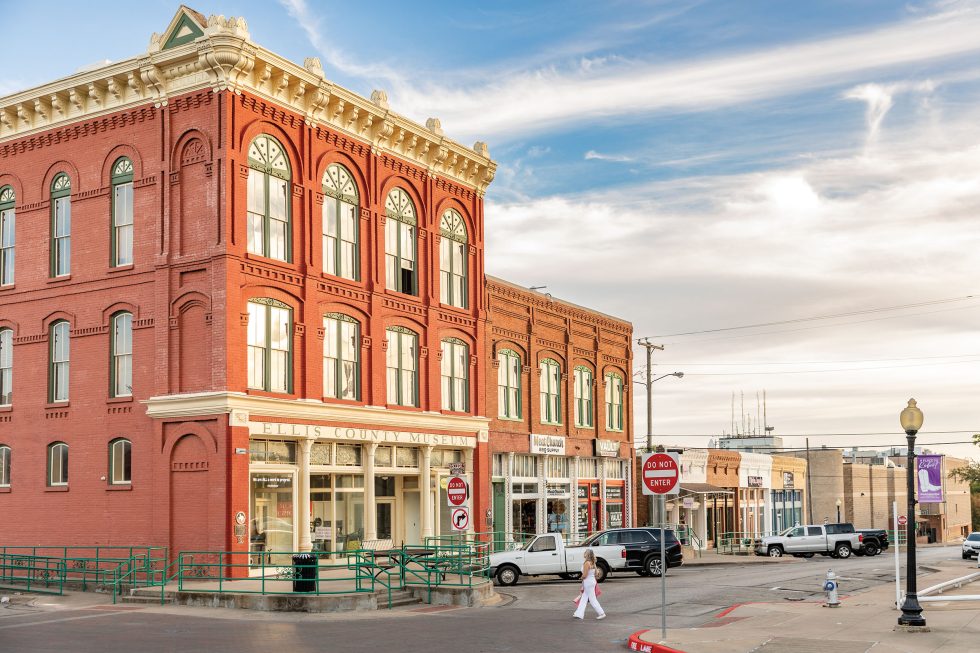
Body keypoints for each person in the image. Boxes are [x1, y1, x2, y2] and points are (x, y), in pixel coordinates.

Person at [573, 548, 606, 620]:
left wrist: (580, 578)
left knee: (592, 599)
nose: (583, 554)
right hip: (592, 581)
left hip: (588, 582)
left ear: (587, 554)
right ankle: (579, 613)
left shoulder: (586, 563)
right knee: (584, 598)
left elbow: (584, 575)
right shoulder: (592, 562)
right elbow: (597, 573)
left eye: (585, 552)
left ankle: (601, 613)